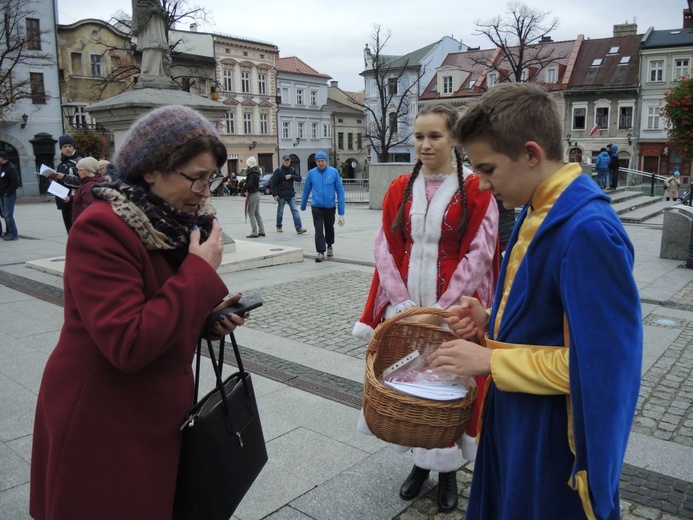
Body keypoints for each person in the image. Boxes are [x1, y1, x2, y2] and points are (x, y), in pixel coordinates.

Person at [428, 83, 642, 520]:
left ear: (530, 153)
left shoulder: (588, 231)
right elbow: (550, 319)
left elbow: (602, 367)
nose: (483, 185)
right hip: (517, 415)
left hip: (550, 438)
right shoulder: (536, 205)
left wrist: (491, 362)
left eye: (487, 169)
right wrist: (489, 320)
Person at [30, 105, 245, 520]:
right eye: (196, 177)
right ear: (151, 169)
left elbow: (160, 307)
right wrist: (198, 273)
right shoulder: (102, 228)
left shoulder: (170, 224)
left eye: (211, 177)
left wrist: (206, 319)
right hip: (103, 418)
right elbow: (127, 342)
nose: (206, 191)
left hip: (154, 412)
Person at [353, 104, 500, 512]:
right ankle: (420, 465)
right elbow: (385, 248)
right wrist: (401, 304)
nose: (425, 144)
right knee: (409, 387)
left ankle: (448, 471)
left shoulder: (476, 188)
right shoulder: (401, 186)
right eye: (419, 137)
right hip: (405, 305)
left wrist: (440, 309)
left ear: (454, 140)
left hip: (451, 310)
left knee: (448, 390)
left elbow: (481, 252)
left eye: (434, 136)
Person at [301, 151, 345, 262]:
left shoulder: (333, 172)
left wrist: (341, 212)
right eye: (318, 161)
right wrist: (303, 204)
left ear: (326, 161)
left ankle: (329, 244)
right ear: (316, 162)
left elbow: (340, 191)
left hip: (330, 206)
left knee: (329, 227)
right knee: (319, 229)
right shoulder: (311, 173)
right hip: (317, 206)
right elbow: (306, 190)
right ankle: (320, 252)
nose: (320, 163)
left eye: (322, 161)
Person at [49, 134, 82, 233]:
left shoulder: (79, 161)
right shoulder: (61, 164)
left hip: (74, 201)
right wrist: (53, 179)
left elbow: (82, 182)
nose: (67, 149)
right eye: (64, 146)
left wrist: (63, 177)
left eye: (70, 146)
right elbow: (60, 180)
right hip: (64, 202)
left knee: (77, 231)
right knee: (70, 231)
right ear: (61, 148)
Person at [271, 155, 306, 234]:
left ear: (290, 161)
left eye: (288, 160)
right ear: (282, 161)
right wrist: (274, 194)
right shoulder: (278, 170)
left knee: (295, 211)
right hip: (281, 194)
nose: (287, 162)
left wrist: (291, 176)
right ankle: (279, 226)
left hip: (291, 194)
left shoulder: (292, 169)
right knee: (280, 211)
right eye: (285, 160)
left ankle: (299, 228)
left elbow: (299, 178)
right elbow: (273, 182)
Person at [72, 157, 105, 222]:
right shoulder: (87, 182)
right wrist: (71, 199)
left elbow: (88, 208)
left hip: (84, 223)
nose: (78, 172)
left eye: (80, 170)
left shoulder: (89, 185)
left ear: (89, 170)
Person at [0, 150, 20, 241]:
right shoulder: (2, 167)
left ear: (1, 158)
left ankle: (13, 233)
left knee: (8, 214)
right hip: (2, 195)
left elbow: (15, 182)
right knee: (4, 214)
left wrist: (7, 192)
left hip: (9, 195)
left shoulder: (11, 168)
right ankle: (8, 232)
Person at [244, 156, 265, 238]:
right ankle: (262, 231)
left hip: (253, 194)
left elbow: (250, 185)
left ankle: (254, 232)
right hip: (257, 194)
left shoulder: (252, 174)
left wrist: (244, 186)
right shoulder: (257, 172)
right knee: (257, 213)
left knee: (251, 213)